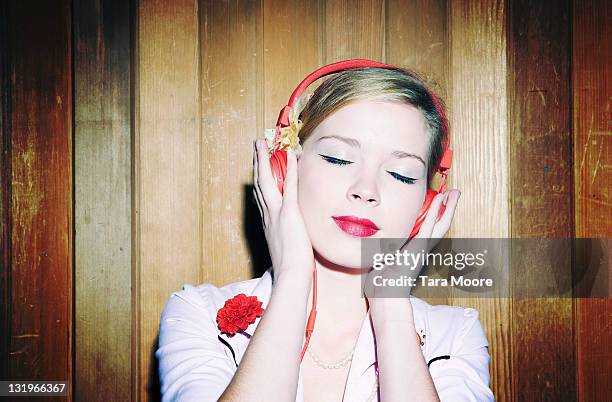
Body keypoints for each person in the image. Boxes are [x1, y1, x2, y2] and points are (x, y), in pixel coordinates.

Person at [155, 64, 495, 402]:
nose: (366, 189)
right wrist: (292, 277)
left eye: (401, 174)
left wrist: (389, 305)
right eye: (338, 158)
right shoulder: (198, 313)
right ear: (286, 170)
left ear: (426, 206)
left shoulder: (455, 336)